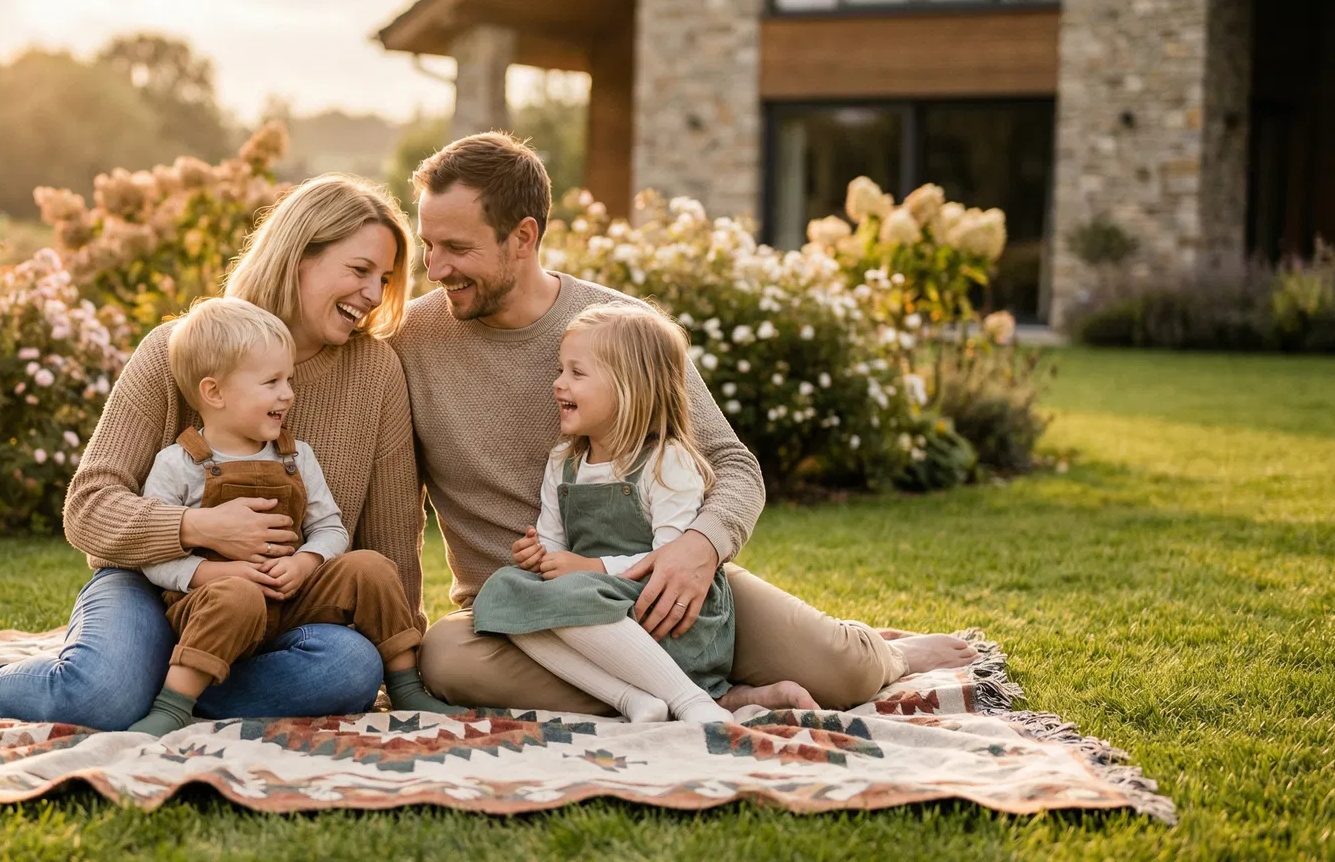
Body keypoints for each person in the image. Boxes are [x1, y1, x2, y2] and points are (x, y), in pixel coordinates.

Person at [396, 132, 978, 714]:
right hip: (531, 621)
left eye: (456, 247)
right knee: (447, 657)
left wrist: (698, 547)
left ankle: (884, 653)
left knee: (846, 677)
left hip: (662, 584)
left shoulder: (622, 328)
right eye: (427, 245)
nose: (434, 268)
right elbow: (389, 502)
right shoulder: (410, 341)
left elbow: (733, 464)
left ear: (523, 236)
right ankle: (711, 696)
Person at [0, 175, 423, 727]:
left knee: (350, 667)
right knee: (100, 695)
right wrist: (202, 529)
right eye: (359, 271)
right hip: (154, 587)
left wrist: (404, 660)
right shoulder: (175, 351)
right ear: (297, 256)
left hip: (283, 605)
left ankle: (163, 690)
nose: (373, 296)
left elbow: (390, 540)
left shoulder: (375, 373)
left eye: (385, 279)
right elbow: (88, 507)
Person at [475, 303, 818, 723]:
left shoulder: (665, 462)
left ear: (629, 388)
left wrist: (591, 567)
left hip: (664, 610)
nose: (558, 383)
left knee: (571, 594)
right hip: (598, 605)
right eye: (562, 370)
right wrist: (539, 555)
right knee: (504, 590)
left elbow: (671, 560)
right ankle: (633, 699)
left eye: (576, 373)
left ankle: (693, 702)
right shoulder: (564, 460)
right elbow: (554, 541)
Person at [125, 297, 453, 735]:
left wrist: (305, 562)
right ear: (214, 392)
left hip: (292, 598)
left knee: (370, 567)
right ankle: (171, 706)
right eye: (271, 382)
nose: (288, 394)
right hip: (214, 606)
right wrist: (217, 574)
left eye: (289, 380)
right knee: (237, 596)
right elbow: (156, 556)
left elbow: (329, 528)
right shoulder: (178, 464)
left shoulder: (296, 456)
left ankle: (406, 685)